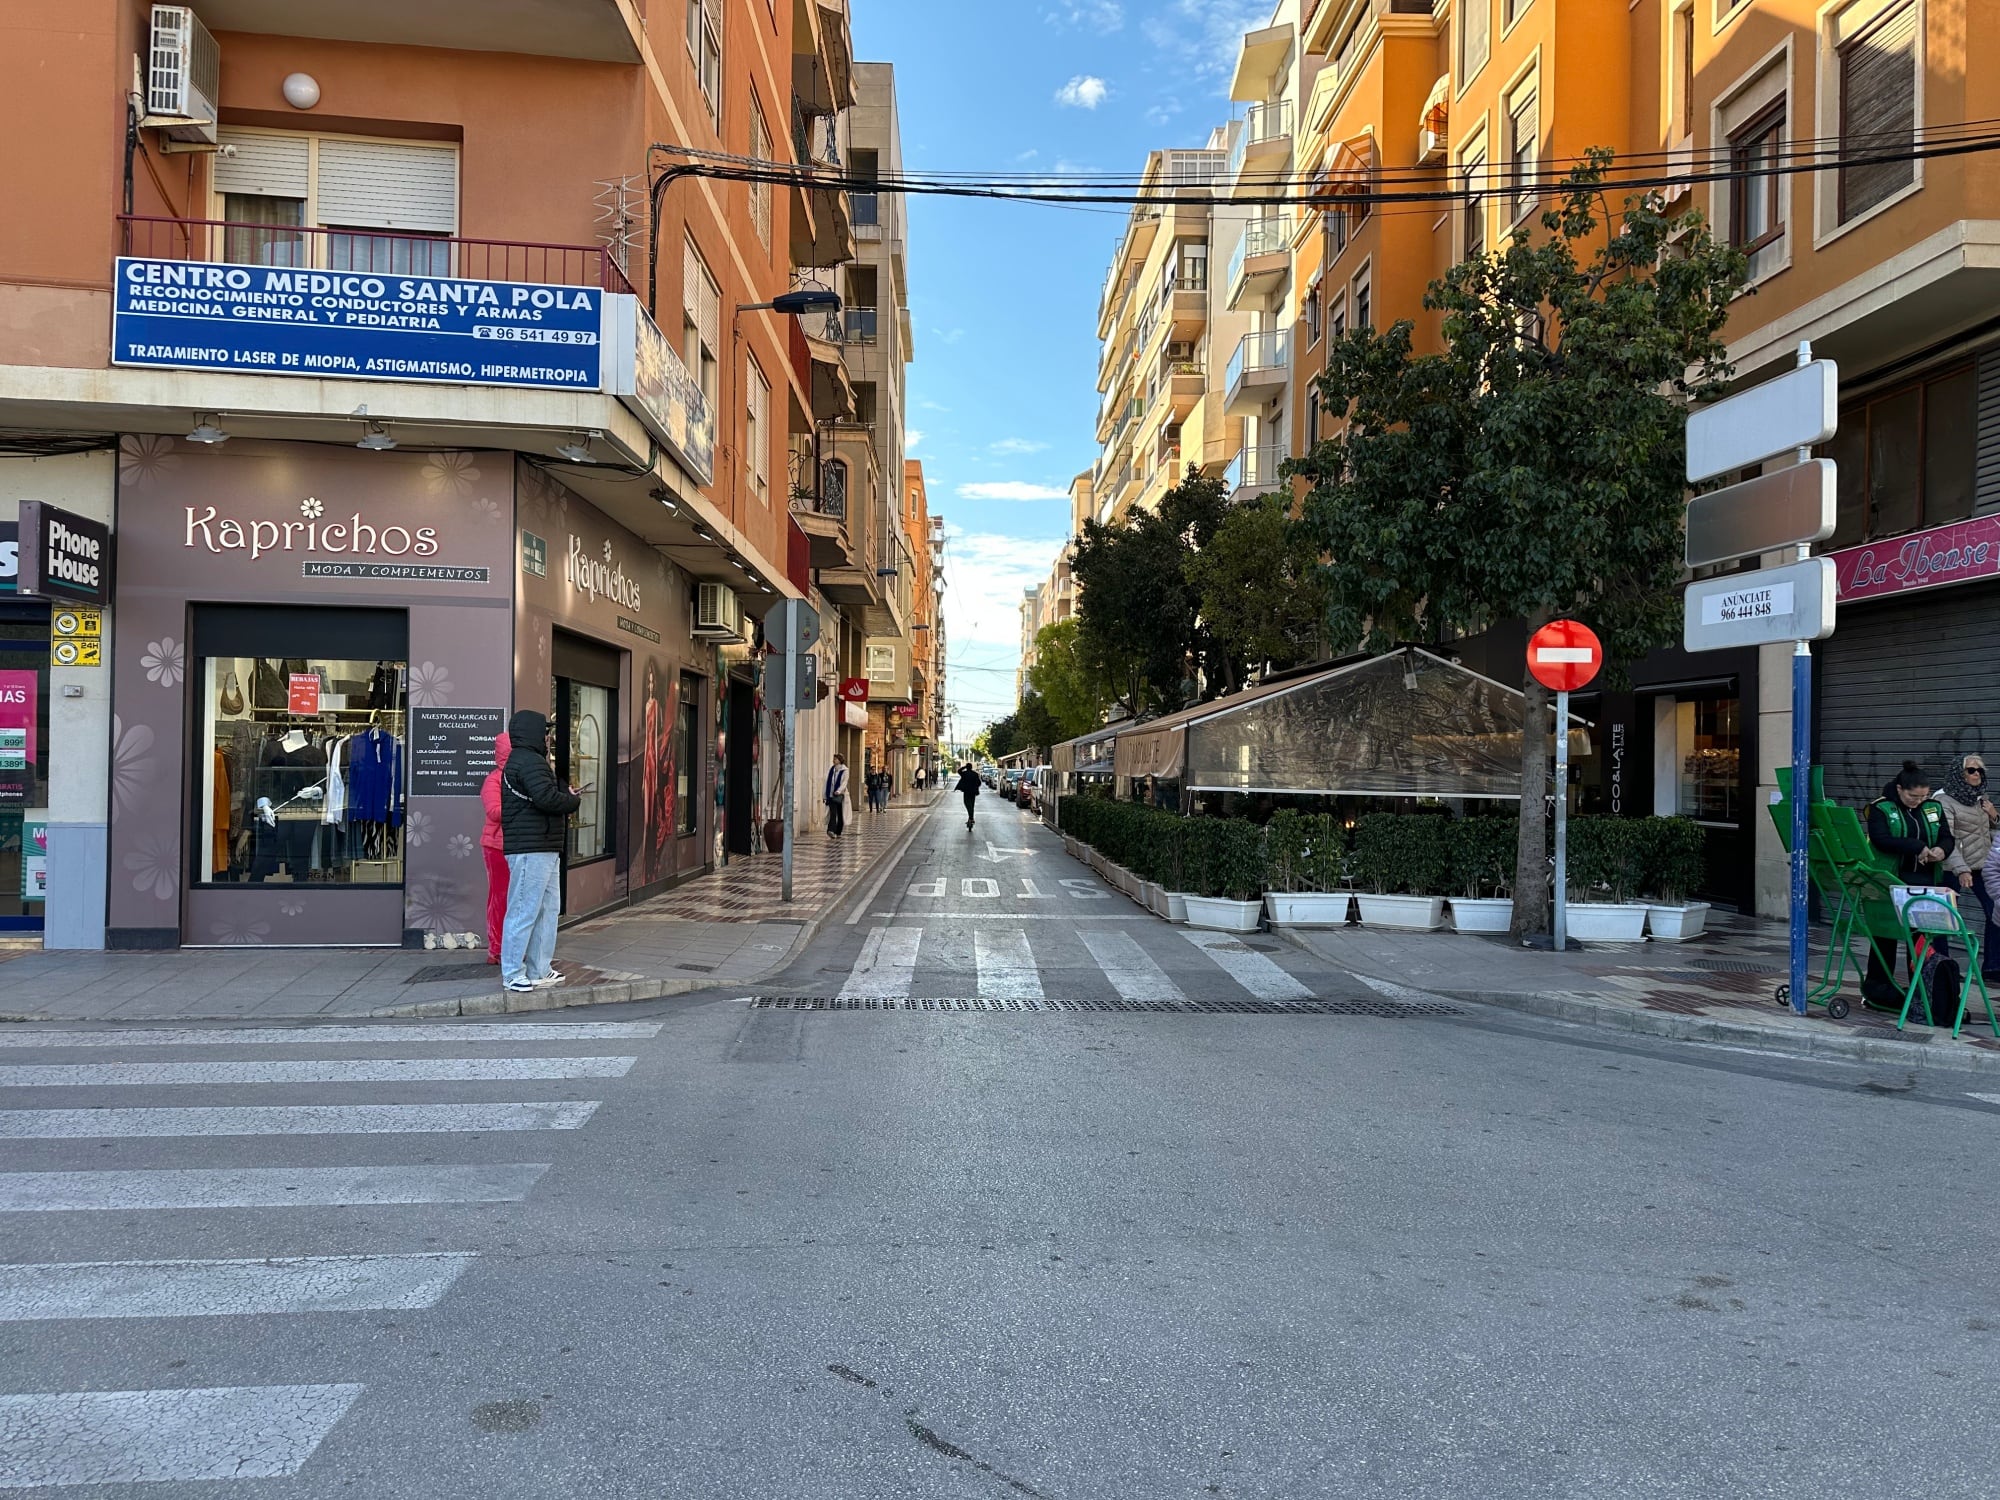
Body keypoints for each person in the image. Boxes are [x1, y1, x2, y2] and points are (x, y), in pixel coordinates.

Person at [499, 710, 581, 994]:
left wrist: (562, 792)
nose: (548, 737)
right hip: (531, 848)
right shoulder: (528, 761)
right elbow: (546, 799)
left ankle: (539, 969)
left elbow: (543, 792)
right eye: (544, 731)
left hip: (542, 846)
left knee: (547, 910)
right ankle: (512, 973)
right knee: (524, 910)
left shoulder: (528, 761)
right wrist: (571, 801)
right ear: (533, 733)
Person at [1863, 761, 1956, 1013]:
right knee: (1885, 937)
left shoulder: (1933, 808)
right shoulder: (1880, 808)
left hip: (1925, 881)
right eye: (1914, 796)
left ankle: (1923, 992)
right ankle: (1878, 989)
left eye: (1924, 796)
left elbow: (1948, 836)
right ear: (1900, 789)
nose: (1919, 801)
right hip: (1890, 881)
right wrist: (1917, 847)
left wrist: (1941, 850)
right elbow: (1883, 840)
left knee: (1921, 939)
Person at [1939, 753, 2000, 977]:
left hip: (1982, 865)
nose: (1977, 775)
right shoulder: (1943, 801)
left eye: (1980, 770)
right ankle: (1943, 966)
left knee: (1996, 909)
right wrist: (1961, 868)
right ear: (1958, 773)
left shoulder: (1980, 799)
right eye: (1971, 770)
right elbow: (1946, 839)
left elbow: (1990, 834)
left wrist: (1994, 816)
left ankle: (1993, 965)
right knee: (1944, 917)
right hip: (1954, 867)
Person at [479, 728, 512, 965]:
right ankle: (497, 948)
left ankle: (503, 947)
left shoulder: (506, 777)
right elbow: (494, 811)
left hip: (510, 844)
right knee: (500, 897)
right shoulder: (493, 780)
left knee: (508, 898)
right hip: (497, 846)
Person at [825, 753, 850, 838]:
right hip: (831, 795)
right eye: (833, 759)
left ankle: (838, 831)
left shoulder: (845, 770)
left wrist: (839, 791)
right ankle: (831, 830)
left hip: (840, 795)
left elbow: (844, 782)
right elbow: (827, 783)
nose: (833, 760)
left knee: (840, 813)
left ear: (839, 760)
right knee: (833, 812)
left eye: (835, 759)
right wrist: (825, 795)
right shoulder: (832, 769)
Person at [955, 760, 981, 830]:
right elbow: (979, 783)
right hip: (973, 792)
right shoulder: (975, 774)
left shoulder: (964, 773)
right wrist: (975, 787)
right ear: (971, 767)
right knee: (971, 805)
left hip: (966, 791)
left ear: (967, 767)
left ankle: (971, 817)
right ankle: (971, 818)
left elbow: (959, 771)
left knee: (967, 803)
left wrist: (964, 767)